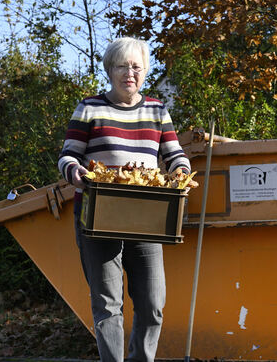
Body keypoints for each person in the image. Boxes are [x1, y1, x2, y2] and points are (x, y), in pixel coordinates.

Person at [57, 37, 191, 362]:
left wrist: (181, 173)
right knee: (107, 304)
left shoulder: (157, 110)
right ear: (109, 70)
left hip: (146, 218)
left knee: (152, 302)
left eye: (136, 66)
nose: (129, 73)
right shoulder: (90, 108)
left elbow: (175, 156)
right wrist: (76, 174)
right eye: (122, 66)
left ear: (144, 71)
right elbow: (67, 157)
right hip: (97, 215)